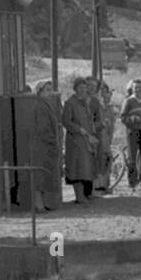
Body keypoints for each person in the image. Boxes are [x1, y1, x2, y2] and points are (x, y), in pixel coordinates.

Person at [61, 76, 96, 204]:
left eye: (84, 88)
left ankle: (85, 194)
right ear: (75, 88)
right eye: (80, 88)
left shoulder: (85, 102)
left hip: (86, 140)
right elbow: (66, 121)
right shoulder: (70, 103)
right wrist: (79, 129)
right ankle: (79, 196)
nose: (83, 90)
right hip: (75, 141)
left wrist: (91, 134)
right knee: (76, 168)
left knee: (85, 168)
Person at [30, 78, 63, 211]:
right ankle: (38, 204)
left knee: (45, 176)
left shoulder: (45, 106)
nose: (50, 93)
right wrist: (53, 141)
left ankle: (43, 203)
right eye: (47, 90)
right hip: (42, 148)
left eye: (51, 90)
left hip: (45, 147)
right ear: (40, 92)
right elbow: (43, 129)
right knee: (40, 176)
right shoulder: (40, 107)